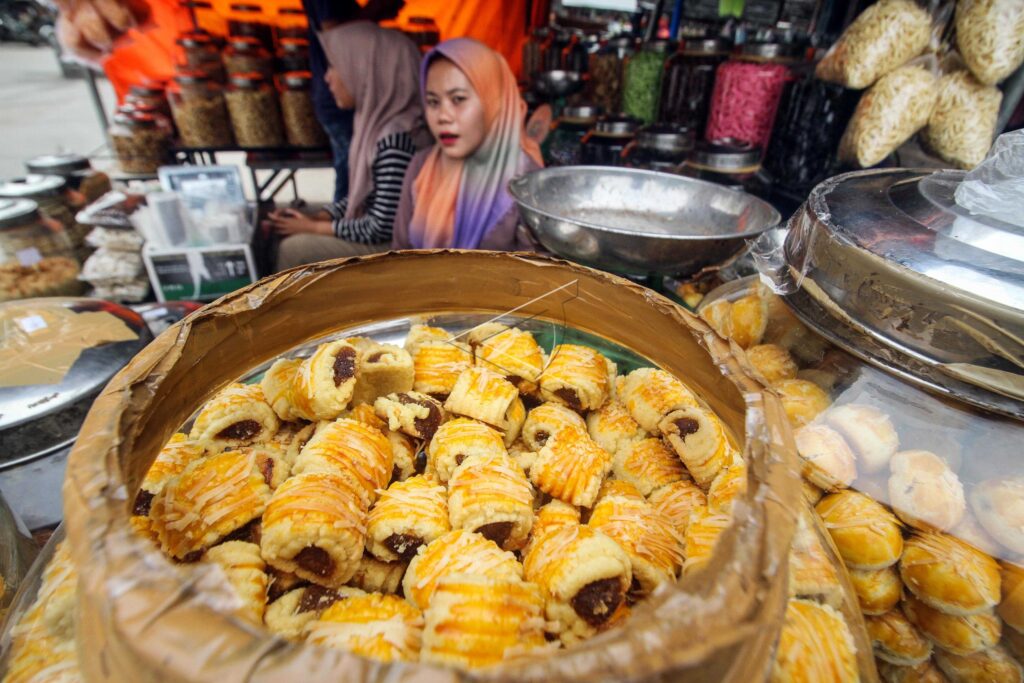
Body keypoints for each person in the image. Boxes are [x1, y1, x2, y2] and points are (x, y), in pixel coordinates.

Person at [272, 22, 428, 269]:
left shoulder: (396, 138)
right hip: (379, 236)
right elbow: (365, 193)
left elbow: (380, 227)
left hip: (392, 247)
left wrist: (314, 227)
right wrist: (320, 216)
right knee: (289, 238)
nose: (327, 78)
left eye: (335, 66)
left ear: (367, 73)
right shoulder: (376, 125)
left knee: (293, 249)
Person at [392, 38, 544, 251]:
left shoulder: (528, 185)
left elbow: (536, 269)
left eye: (458, 99)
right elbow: (399, 254)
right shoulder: (421, 166)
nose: (443, 116)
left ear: (493, 101)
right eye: (433, 102)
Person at [301, 0, 404, 202]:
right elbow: (335, 34)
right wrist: (375, 9)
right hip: (339, 101)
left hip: (349, 98)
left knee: (355, 172)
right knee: (352, 173)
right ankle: (344, 219)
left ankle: (343, 218)